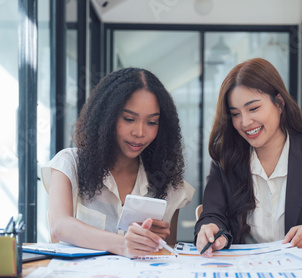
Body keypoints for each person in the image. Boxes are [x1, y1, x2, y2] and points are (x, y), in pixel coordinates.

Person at [195, 58, 302, 257]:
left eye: (253, 108)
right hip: (243, 275)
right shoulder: (225, 158)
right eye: (235, 114)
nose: (245, 122)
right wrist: (212, 231)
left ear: (279, 102)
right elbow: (213, 215)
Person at [42, 67, 194, 258]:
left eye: (151, 122)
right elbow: (59, 226)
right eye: (129, 119)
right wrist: (123, 244)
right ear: (106, 116)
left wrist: (153, 242)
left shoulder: (169, 185)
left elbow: (166, 257)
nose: (140, 132)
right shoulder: (70, 164)